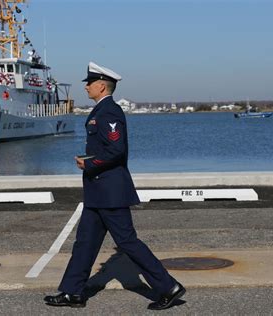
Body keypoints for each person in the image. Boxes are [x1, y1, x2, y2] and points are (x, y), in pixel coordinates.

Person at [44, 62, 185, 310]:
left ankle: (168, 287)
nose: (86, 87)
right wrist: (89, 162)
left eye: (89, 83)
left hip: (110, 192)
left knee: (128, 242)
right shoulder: (101, 110)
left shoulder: (109, 111)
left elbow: (116, 150)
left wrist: (89, 165)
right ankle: (72, 292)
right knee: (85, 242)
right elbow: (107, 149)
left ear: (101, 85)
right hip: (99, 192)